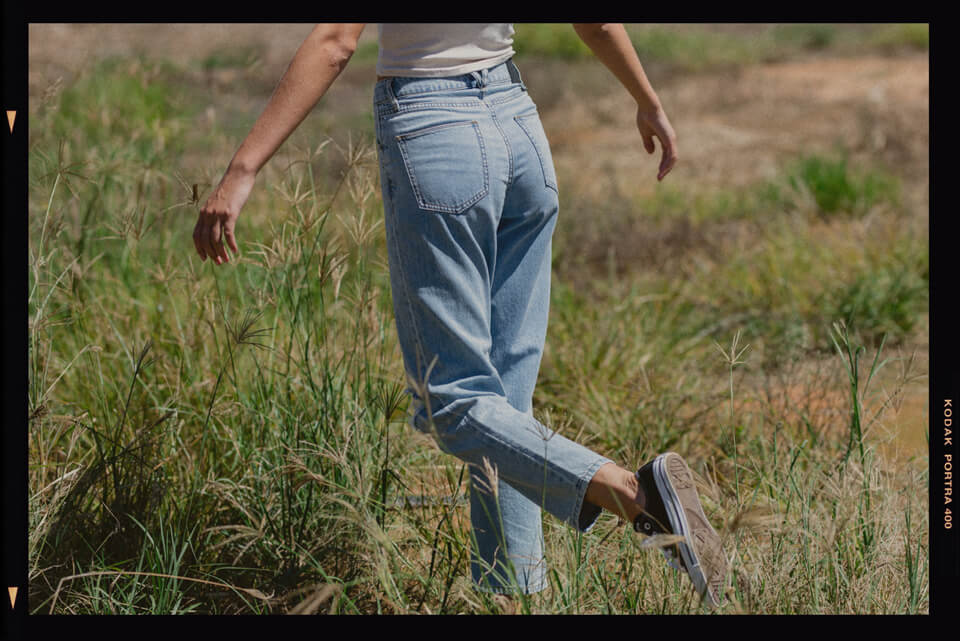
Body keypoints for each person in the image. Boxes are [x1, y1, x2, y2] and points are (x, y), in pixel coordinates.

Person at [192, 23, 728, 608]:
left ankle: (634, 493)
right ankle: (514, 601)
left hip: (434, 130)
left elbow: (335, 40)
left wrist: (242, 170)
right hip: (519, 129)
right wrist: (647, 100)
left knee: (452, 404)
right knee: (503, 409)